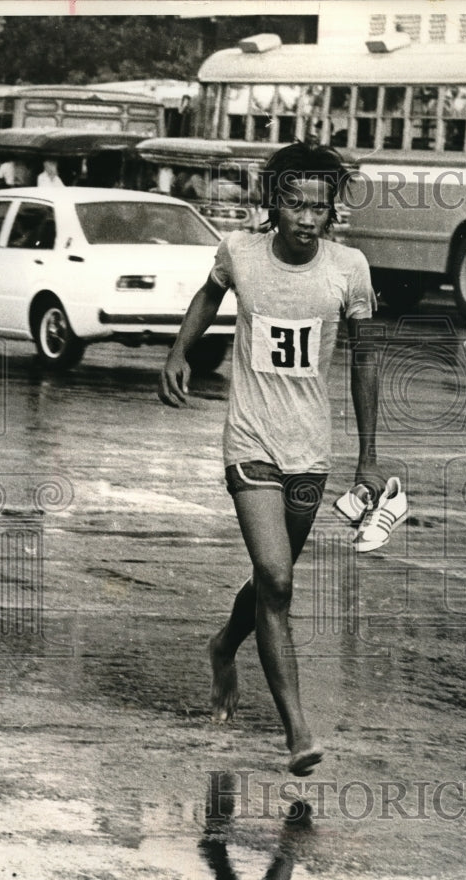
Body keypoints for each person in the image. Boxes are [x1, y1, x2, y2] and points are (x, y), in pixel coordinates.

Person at [158, 140, 386, 776]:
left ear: (333, 209)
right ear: (272, 202)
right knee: (278, 579)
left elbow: (366, 362)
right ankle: (297, 733)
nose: (307, 219)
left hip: (310, 452)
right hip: (251, 441)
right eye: (294, 205)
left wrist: (369, 458)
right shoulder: (241, 254)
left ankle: (224, 644)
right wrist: (180, 350)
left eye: (319, 207)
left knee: (270, 579)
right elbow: (209, 295)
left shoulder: (350, 269)